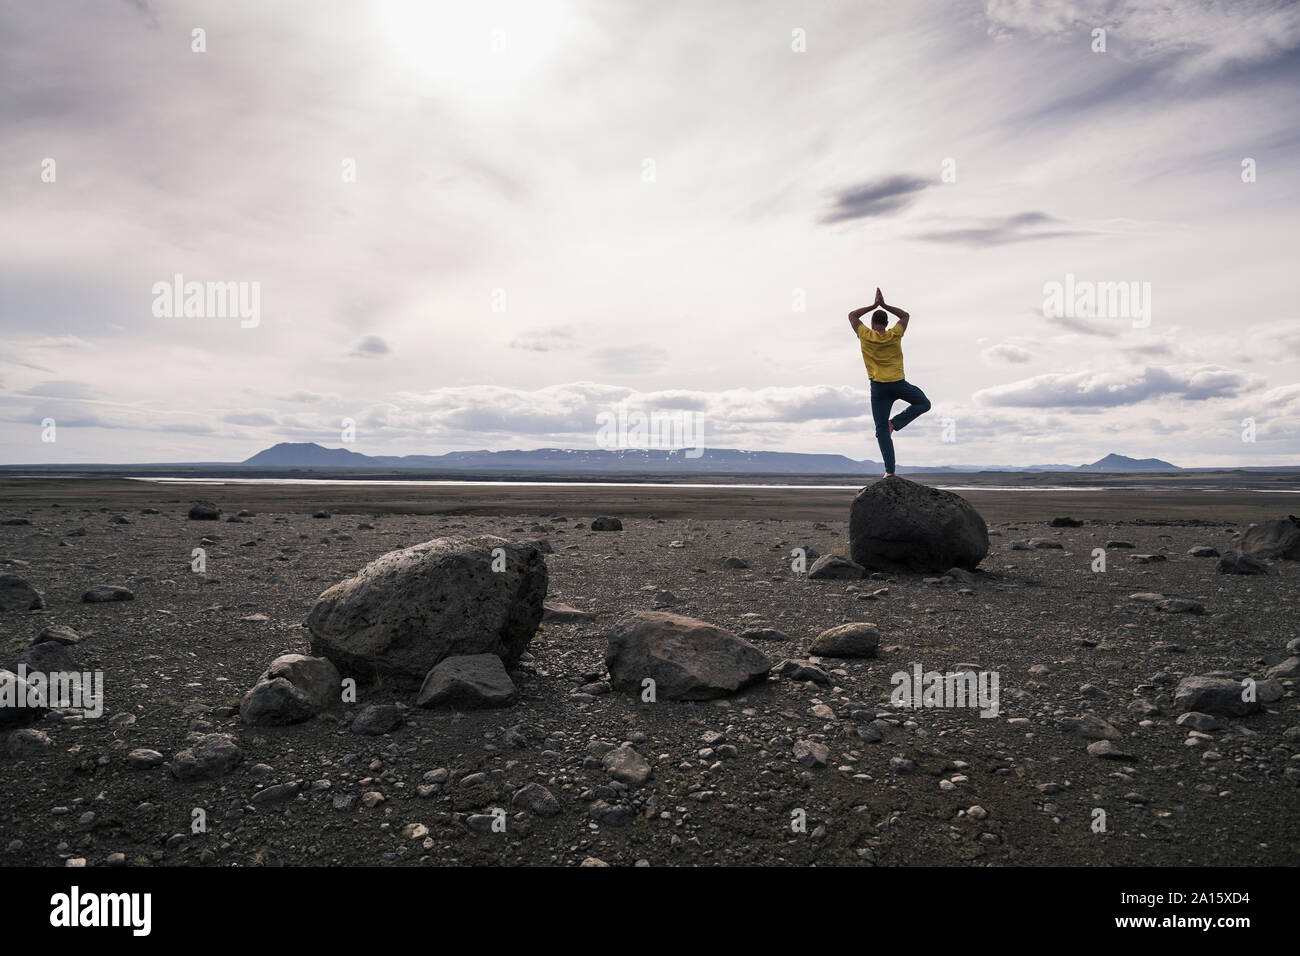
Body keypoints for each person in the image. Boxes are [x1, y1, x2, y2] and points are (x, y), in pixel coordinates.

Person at [848, 288, 931, 477]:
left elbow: (852, 315)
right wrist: (884, 305)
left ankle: (890, 472)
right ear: (886, 323)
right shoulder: (895, 334)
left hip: (879, 388)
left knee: (881, 430)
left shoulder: (864, 335)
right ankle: (894, 423)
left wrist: (873, 305)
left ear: (871, 323)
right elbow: (905, 315)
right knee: (924, 403)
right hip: (899, 384)